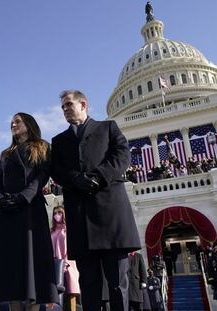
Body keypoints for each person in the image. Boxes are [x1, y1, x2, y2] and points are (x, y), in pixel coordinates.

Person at [50, 90, 141, 311]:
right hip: (81, 220)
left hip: (111, 216)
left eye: (69, 105)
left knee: (118, 282)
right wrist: (76, 179)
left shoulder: (108, 128)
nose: (65, 110)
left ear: (83, 104)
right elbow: (55, 169)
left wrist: (98, 177)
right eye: (62, 107)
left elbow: (122, 156)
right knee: (88, 284)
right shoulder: (59, 141)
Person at [0, 112, 59, 311]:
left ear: (29, 124)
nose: (13, 124)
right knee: (11, 276)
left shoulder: (43, 147)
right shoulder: (5, 153)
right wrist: (1, 200)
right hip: (6, 215)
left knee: (32, 273)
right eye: (12, 121)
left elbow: (41, 176)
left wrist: (23, 197)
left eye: (18, 121)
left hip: (30, 212)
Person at [50, 206, 80, 311]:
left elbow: (70, 248)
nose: (57, 215)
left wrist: (66, 263)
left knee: (71, 295)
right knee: (55, 295)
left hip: (68, 264)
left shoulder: (67, 230)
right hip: (54, 266)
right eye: (54, 213)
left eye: (59, 212)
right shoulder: (52, 231)